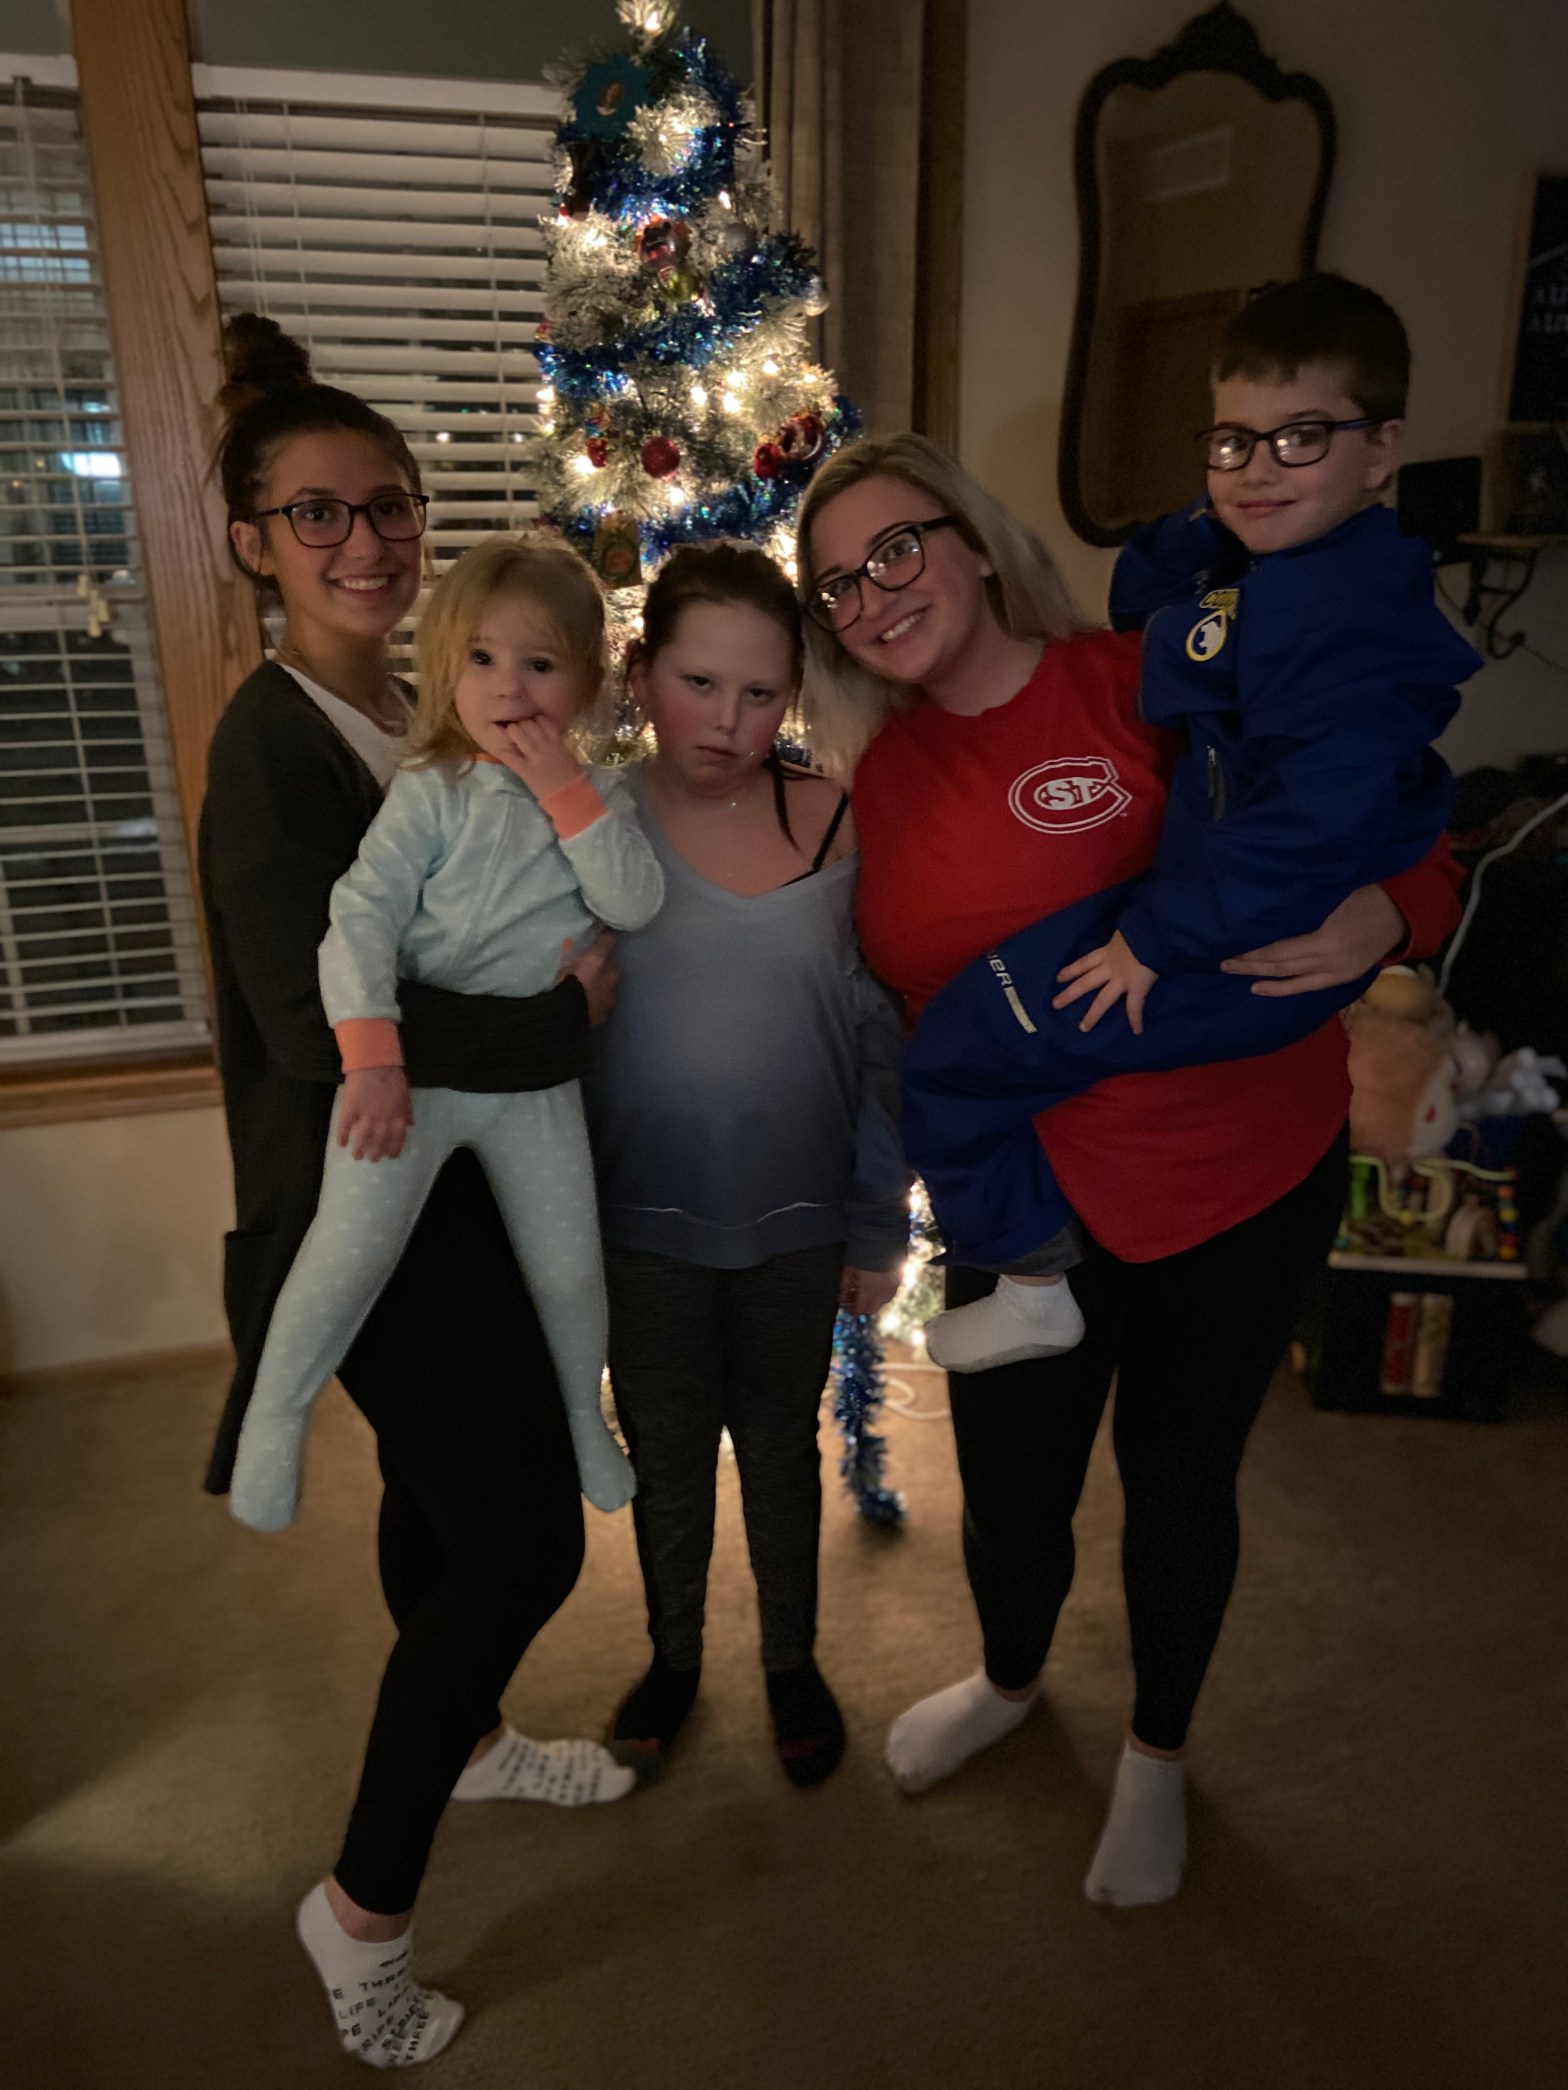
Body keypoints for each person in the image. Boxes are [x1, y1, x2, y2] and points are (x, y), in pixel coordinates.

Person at [795, 425, 1463, 1907]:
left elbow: (1378, 800)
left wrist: (1395, 914)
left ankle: (1157, 1753)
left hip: (1237, 1176)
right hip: (1030, 1212)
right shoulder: (870, 780)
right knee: (1011, 1485)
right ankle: (1011, 1679)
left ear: (973, 545)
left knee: (1179, 1483)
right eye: (837, 584)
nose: (873, 594)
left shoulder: (1142, 676)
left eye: (897, 548)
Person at [200, 315, 633, 2072]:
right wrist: (557, 1022)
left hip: (472, 1186)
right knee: (527, 1538)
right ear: (255, 542)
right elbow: (312, 1017)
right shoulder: (271, 746)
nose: (364, 540)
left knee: (442, 1501)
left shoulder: (420, 712)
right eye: (317, 514)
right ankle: (362, 1909)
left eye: (386, 504)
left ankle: (468, 1742)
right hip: (366, 1202)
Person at [897, 275, 1479, 1374]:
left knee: (958, 1053)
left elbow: (1325, 828)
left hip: (1229, 968)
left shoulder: (1344, 621)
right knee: (971, 1047)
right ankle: (1031, 1278)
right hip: (1201, 959)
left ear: (1382, 449)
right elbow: (1152, 610)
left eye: (1299, 438)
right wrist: (1210, 523)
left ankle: (1029, 1287)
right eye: (1231, 442)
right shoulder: (1274, 579)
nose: (1258, 470)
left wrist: (1161, 940)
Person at [228, 532, 662, 1533]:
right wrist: (372, 1058)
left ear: (585, 683)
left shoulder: (600, 797)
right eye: (482, 658)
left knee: (568, 1267)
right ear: (446, 669)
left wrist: (564, 792)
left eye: (539, 663)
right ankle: (273, 1416)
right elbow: (359, 920)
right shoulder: (430, 789)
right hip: (408, 1081)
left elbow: (634, 901)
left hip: (532, 1090)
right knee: (348, 1252)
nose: (508, 686)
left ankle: (582, 1416)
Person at [586, 543, 909, 1785]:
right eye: (698, 682)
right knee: (665, 1456)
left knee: (779, 1447)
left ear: (793, 697)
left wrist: (875, 1223)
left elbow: (877, 1048)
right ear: (640, 673)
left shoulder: (833, 823)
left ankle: (789, 1658)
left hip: (797, 1220)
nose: (726, 720)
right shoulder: (589, 825)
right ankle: (673, 1655)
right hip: (638, 1224)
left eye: (760, 692)